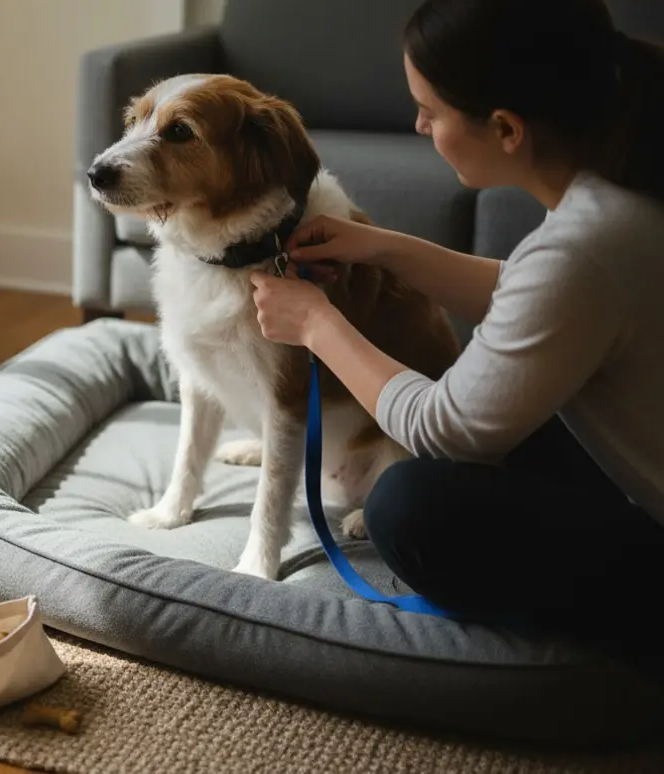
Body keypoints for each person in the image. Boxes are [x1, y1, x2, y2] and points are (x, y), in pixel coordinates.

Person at [247, 0, 664, 646]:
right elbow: (534, 301)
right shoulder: (617, 188)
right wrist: (381, 246)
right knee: (509, 399)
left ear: (505, 128)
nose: (418, 125)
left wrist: (316, 326)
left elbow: (446, 431)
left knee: (409, 505)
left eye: (431, 111)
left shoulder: (588, 242)